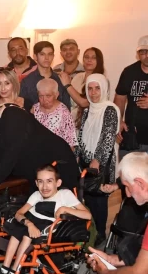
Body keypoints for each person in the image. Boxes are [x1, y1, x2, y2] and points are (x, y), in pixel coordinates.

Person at [0, 165, 90, 274]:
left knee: (26, 235)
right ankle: (5, 270)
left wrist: (66, 209)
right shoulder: (36, 195)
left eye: (49, 181)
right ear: (36, 183)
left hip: (50, 229)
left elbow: (87, 215)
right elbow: (19, 213)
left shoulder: (65, 194)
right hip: (32, 223)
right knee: (17, 231)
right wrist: (29, 224)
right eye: (41, 181)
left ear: (58, 183)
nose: (45, 186)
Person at [75, 74, 120, 245]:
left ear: (104, 89)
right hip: (86, 159)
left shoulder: (110, 109)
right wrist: (78, 153)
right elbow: (81, 133)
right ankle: (91, 230)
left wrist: (98, 160)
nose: (93, 93)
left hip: (102, 162)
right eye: (90, 88)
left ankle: (100, 232)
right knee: (88, 197)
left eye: (97, 88)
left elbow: (108, 137)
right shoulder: (87, 110)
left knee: (100, 199)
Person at [20, 41, 71, 112]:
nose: (47, 58)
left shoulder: (61, 79)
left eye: (50, 54)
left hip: (59, 118)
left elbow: (66, 107)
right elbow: (22, 109)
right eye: (42, 54)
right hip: (32, 118)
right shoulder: (27, 82)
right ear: (35, 57)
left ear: (53, 56)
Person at [59, 47, 106, 124]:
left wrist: (67, 85)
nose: (89, 60)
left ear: (99, 61)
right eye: (86, 57)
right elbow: (68, 97)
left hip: (89, 122)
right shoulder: (79, 76)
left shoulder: (101, 80)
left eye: (93, 58)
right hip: (70, 120)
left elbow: (84, 103)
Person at [32, 78, 78, 148]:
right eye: (41, 96)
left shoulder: (64, 113)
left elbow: (70, 144)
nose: (44, 100)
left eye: (48, 96)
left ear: (56, 95)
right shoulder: (34, 109)